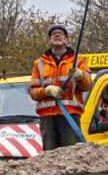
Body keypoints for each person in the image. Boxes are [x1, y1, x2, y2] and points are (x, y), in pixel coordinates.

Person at [29, 23, 86, 151]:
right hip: (48, 117)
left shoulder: (79, 60)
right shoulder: (39, 64)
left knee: (71, 154)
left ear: (67, 40)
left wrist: (81, 76)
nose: (57, 34)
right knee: (50, 155)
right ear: (49, 41)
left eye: (61, 33)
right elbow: (33, 92)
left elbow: (87, 86)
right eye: (53, 33)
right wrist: (47, 91)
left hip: (70, 114)